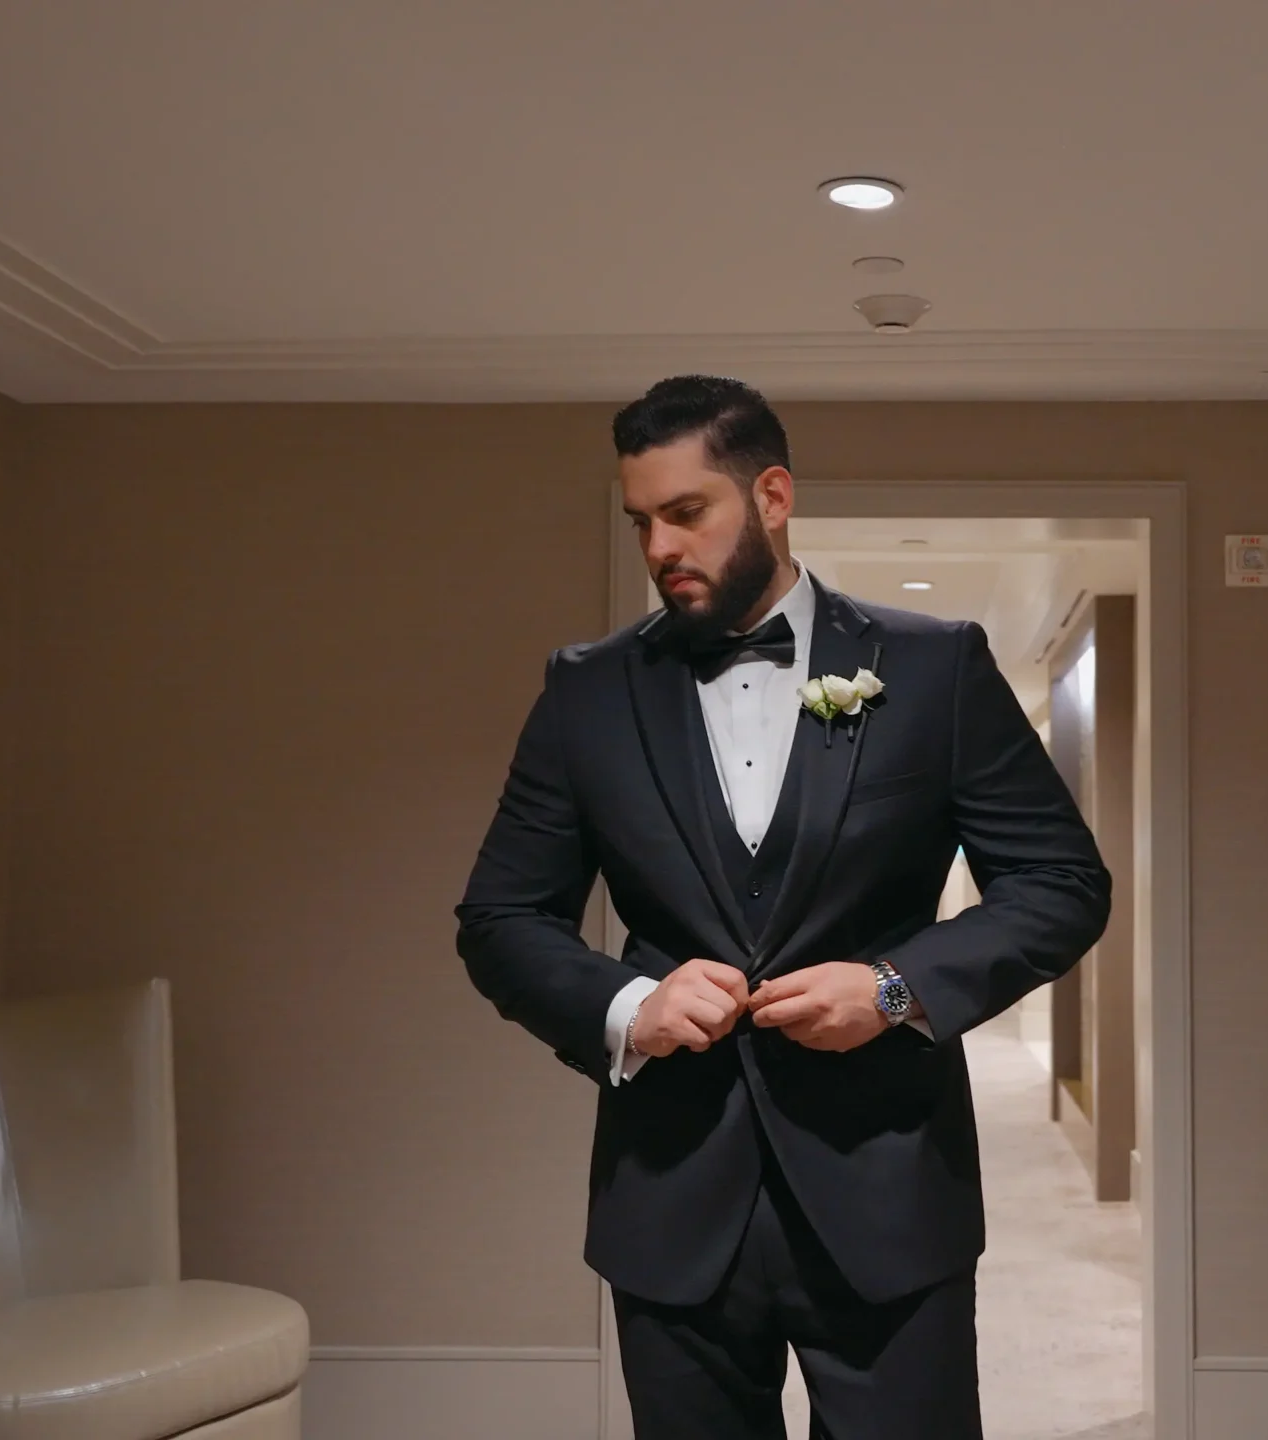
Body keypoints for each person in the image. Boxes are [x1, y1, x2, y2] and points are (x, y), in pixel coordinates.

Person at [456, 375, 1111, 1438]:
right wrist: (629, 1007)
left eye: (686, 512)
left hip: (891, 1189)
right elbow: (499, 919)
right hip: (670, 1200)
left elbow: (1060, 884)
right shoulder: (587, 692)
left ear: (771, 495)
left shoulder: (933, 668)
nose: (661, 547)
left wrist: (894, 989)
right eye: (640, 522)